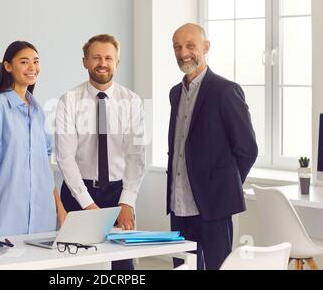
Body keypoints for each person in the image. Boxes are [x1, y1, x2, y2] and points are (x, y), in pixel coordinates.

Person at [167, 23, 258, 270]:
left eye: (190, 45)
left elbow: (248, 149)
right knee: (183, 268)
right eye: (177, 46)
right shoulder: (175, 93)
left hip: (214, 206)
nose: (183, 52)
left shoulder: (226, 91)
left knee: (218, 266)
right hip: (179, 205)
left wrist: (222, 186)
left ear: (205, 47)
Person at [0, 41, 67, 241]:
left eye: (36, 61)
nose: (32, 68)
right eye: (24, 62)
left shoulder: (37, 110)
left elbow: (44, 168)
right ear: (8, 66)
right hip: (4, 219)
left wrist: (59, 208)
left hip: (41, 220)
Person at [55, 34, 145, 270]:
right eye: (96, 57)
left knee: (121, 266)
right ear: (85, 61)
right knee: (78, 265)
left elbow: (136, 155)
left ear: (117, 62)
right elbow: (65, 158)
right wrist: (88, 204)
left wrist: (128, 202)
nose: (102, 63)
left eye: (108, 58)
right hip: (78, 193)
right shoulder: (69, 101)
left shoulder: (132, 101)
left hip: (118, 194)